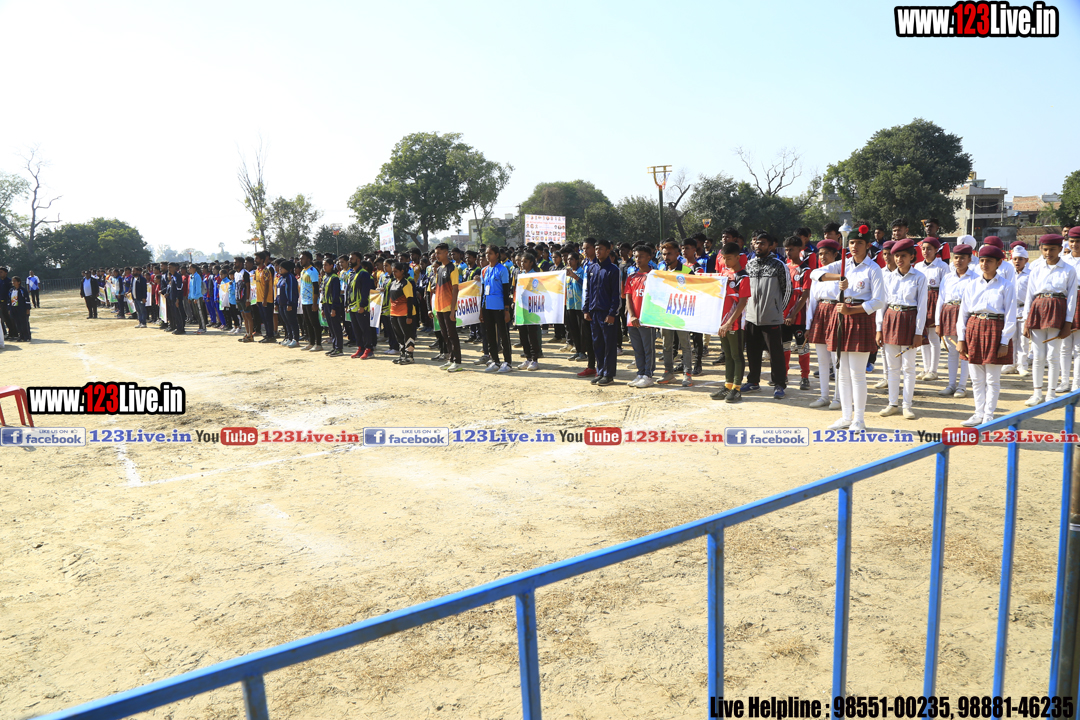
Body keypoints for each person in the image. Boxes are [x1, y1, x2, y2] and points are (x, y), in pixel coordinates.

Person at [810, 224, 886, 431]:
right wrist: (839, 277)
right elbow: (815, 274)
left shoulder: (873, 269)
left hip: (860, 317)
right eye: (851, 242)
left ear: (868, 245)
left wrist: (853, 311)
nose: (854, 246)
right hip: (841, 316)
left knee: (857, 374)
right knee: (842, 372)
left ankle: (859, 419)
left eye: (859, 243)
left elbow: (879, 301)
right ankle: (845, 417)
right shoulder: (843, 265)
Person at [957, 245, 1016, 426]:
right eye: (982, 260)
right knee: (976, 378)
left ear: (999, 263)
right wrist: (961, 338)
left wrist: (1004, 341)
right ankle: (978, 413)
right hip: (974, 328)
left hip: (995, 329)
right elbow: (963, 313)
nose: (984, 264)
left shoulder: (1006, 286)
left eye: (989, 261)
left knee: (992, 379)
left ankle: (989, 415)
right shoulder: (972, 285)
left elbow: (1010, 315)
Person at [875, 239, 928, 420]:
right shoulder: (887, 277)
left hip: (909, 320)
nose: (899, 259)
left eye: (903, 256)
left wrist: (918, 333)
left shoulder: (919, 277)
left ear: (912, 257)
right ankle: (892, 404)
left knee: (909, 367)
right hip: (890, 319)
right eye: (896, 256)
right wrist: (879, 328)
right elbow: (882, 304)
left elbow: (922, 307)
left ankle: (907, 405)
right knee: (892, 367)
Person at [1023, 233, 1077, 406]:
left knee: (1053, 355)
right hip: (1038, 309)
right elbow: (1029, 296)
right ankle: (1037, 393)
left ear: (1060, 249)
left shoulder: (1069, 270)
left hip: (1057, 310)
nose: (1048, 253)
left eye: (1052, 249)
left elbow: (1072, 298)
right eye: (1045, 249)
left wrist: (1068, 323)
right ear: (1040, 249)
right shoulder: (1036, 269)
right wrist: (1026, 321)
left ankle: (1051, 393)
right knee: (1038, 355)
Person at [741, 231, 792, 399]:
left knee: (775, 353)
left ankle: (779, 384)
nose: (758, 246)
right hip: (751, 317)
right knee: (752, 352)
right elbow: (745, 289)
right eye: (756, 242)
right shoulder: (749, 265)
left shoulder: (779, 265)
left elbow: (787, 290)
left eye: (762, 243)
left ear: (770, 246)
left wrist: (778, 311)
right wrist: (747, 311)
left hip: (772, 317)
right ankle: (753, 382)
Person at [935, 243, 977, 399]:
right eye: (956, 257)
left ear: (970, 259)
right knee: (952, 352)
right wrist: (938, 322)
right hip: (949, 313)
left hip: (966, 314)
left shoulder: (975, 278)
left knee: (964, 352)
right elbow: (940, 299)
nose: (959, 261)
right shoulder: (947, 277)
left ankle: (962, 386)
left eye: (963, 258)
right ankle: (951, 384)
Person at [711, 242, 751, 402]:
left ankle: (737, 389)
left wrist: (729, 322)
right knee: (727, 355)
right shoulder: (723, 274)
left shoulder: (743, 277)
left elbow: (742, 303)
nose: (725, 261)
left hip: (735, 323)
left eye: (728, 258)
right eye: (723, 258)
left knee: (736, 355)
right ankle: (727, 386)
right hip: (722, 322)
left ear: (737, 257)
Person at [805, 239, 842, 409]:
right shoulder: (817, 275)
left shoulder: (842, 273)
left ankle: (838, 397)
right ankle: (824, 396)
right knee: (822, 360)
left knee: (836, 359)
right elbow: (812, 301)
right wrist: (808, 325)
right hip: (820, 314)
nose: (823, 257)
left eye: (827, 253)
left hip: (836, 313)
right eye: (820, 254)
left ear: (835, 254)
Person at [655, 239, 694, 387]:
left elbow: (694, 292)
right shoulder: (660, 271)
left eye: (669, 254)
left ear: (678, 254)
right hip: (665, 314)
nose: (666, 257)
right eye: (664, 254)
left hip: (681, 314)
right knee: (666, 345)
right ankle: (668, 373)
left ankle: (687, 374)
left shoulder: (687, 272)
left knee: (685, 345)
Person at [584, 238, 621, 386]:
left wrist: (612, 313)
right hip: (594, 312)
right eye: (596, 248)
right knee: (597, 344)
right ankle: (600, 372)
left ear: (608, 251)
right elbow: (588, 291)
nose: (598, 251)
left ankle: (609, 374)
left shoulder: (613, 270)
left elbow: (616, 295)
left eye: (601, 249)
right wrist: (586, 309)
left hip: (607, 313)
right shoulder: (591, 269)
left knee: (609, 345)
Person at [916, 237, 948, 381]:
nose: (926, 251)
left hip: (935, 301)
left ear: (936, 250)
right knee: (923, 337)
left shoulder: (942, 266)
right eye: (923, 248)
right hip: (921, 300)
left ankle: (933, 370)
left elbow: (945, 288)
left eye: (929, 249)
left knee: (934, 338)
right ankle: (925, 368)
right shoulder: (918, 266)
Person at [782, 235, 812, 390]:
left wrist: (793, 315)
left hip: (799, 318)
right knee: (784, 347)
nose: (788, 253)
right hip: (783, 317)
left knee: (802, 347)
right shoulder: (785, 268)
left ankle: (805, 377)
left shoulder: (806, 270)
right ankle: (783, 375)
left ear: (800, 249)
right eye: (786, 250)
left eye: (791, 249)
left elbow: (805, 295)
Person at [624, 244, 656, 388]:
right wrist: (632, 315)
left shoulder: (655, 276)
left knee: (648, 348)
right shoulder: (631, 277)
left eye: (641, 256)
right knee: (637, 348)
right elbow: (628, 298)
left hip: (647, 319)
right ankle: (640, 373)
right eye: (636, 256)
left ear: (649, 257)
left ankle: (648, 375)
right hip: (633, 319)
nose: (638, 259)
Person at [480, 245, 513, 373]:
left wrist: (506, 310)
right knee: (490, 335)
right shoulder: (484, 270)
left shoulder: (503, 269)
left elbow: (506, 291)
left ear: (497, 255)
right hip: (487, 306)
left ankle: (508, 362)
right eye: (486, 253)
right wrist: (481, 309)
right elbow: (483, 291)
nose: (487, 256)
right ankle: (495, 360)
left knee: (503, 335)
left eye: (490, 253)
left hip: (499, 306)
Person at [432, 243, 464, 372]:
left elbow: (455, 289)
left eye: (439, 253)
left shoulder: (453, 268)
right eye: (436, 253)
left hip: (449, 307)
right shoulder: (439, 269)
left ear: (446, 253)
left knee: (452, 335)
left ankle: (458, 361)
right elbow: (437, 288)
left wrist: (452, 310)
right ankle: (450, 359)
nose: (437, 255)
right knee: (445, 335)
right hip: (439, 307)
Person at [1004, 242, 1031, 376]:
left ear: (1026, 260)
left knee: (1023, 340)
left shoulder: (1030, 274)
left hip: (1024, 309)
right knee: (1010, 339)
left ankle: (1022, 365)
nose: (1017, 261)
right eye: (1015, 259)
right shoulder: (1009, 274)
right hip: (1011, 309)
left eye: (1020, 259)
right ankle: (1010, 364)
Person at [387, 262, 419, 364]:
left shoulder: (406, 283)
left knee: (408, 335)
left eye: (396, 271)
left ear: (402, 271)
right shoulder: (393, 283)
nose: (394, 273)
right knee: (399, 336)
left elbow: (410, 300)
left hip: (405, 314)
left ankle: (409, 357)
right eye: (393, 272)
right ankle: (402, 355)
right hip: (394, 313)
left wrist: (409, 316)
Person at [347, 254, 375, 359]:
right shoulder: (352, 273)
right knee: (356, 329)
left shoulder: (364, 274)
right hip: (352, 307)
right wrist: (347, 304)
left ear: (358, 260)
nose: (350, 261)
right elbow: (349, 290)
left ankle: (369, 349)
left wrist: (363, 305)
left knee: (365, 329)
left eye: (351, 259)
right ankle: (360, 348)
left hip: (361, 307)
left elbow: (365, 291)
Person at [319, 257, 344, 357]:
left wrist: (334, 308)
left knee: (336, 327)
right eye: (323, 265)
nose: (324, 267)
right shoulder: (325, 277)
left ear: (331, 266)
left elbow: (335, 295)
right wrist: (323, 308)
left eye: (326, 265)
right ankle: (334, 347)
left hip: (333, 305)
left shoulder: (334, 278)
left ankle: (339, 348)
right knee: (331, 328)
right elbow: (323, 293)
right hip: (326, 305)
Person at [299, 251, 322, 351]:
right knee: (307, 323)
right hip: (304, 301)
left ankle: (318, 344)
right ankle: (311, 342)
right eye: (300, 258)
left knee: (314, 323)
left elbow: (316, 288)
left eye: (302, 258)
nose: (300, 260)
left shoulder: (313, 271)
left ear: (308, 259)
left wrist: (315, 303)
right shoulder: (303, 271)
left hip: (311, 301)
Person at [275, 260, 300, 348]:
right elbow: (278, 291)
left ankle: (295, 339)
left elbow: (291, 291)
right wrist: (276, 302)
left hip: (288, 304)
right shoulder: (281, 278)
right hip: (281, 303)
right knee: (286, 322)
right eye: (280, 267)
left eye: (282, 268)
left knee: (292, 321)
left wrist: (290, 303)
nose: (280, 269)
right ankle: (289, 338)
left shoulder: (290, 278)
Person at [8, 276, 31, 341]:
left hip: (21, 309)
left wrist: (28, 309)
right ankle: (21, 336)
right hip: (14, 309)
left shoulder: (22, 290)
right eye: (12, 281)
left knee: (24, 323)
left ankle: (27, 336)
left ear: (19, 282)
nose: (13, 282)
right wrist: (9, 309)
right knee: (17, 323)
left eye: (14, 281)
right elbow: (9, 300)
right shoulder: (11, 290)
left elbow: (27, 300)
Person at [187, 263, 206, 335]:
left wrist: (196, 297)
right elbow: (190, 288)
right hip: (192, 297)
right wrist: (189, 297)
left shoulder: (197, 276)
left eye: (190, 268)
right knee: (196, 313)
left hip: (197, 298)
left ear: (194, 269)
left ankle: (203, 328)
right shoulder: (191, 276)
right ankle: (200, 327)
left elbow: (198, 288)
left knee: (200, 313)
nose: (189, 269)